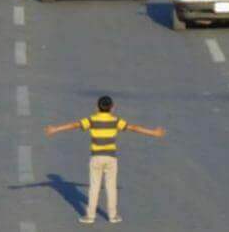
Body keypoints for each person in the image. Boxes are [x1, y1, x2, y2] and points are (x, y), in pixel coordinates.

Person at [44, 96, 165, 225]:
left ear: (97, 107)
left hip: (96, 158)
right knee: (111, 187)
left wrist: (55, 129)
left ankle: (90, 217)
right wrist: (153, 133)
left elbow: (74, 125)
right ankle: (113, 216)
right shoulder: (116, 121)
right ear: (112, 108)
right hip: (111, 158)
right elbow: (133, 128)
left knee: (94, 187)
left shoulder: (92, 120)